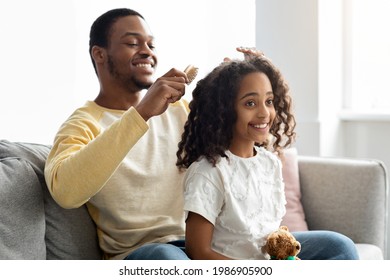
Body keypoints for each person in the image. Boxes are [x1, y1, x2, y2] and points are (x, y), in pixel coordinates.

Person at [176, 56, 359, 260]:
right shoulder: (209, 172)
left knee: (340, 246)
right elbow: (198, 252)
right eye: (250, 103)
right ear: (224, 111)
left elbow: (268, 233)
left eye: (269, 101)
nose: (264, 113)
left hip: (268, 264)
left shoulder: (269, 162)